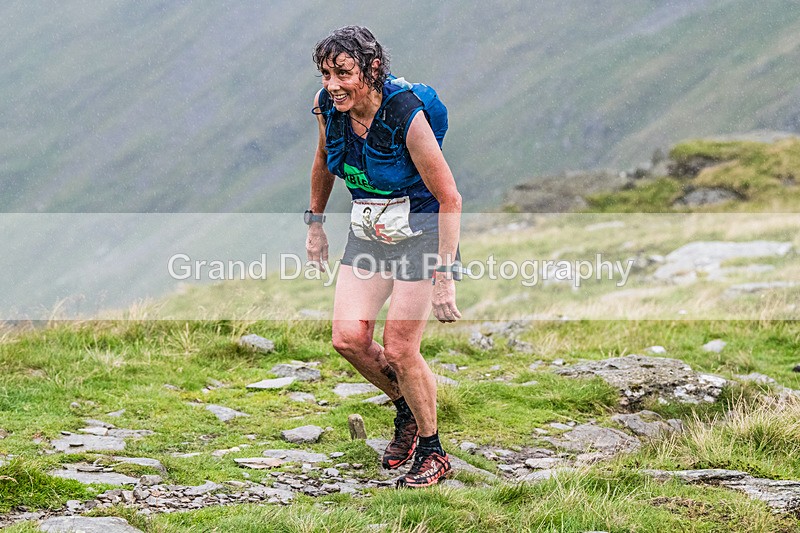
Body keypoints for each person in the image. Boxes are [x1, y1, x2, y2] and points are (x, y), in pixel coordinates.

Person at [305, 26, 462, 488]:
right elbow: (322, 163)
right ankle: (407, 411)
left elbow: (450, 197)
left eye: (343, 72)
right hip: (369, 232)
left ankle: (433, 452)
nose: (333, 84)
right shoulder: (329, 109)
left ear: (372, 69)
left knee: (399, 348)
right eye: (326, 73)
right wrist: (315, 225)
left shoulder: (406, 116)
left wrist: (444, 274)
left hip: (420, 234)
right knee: (348, 338)